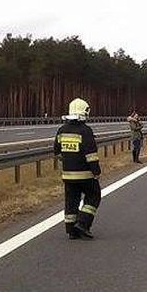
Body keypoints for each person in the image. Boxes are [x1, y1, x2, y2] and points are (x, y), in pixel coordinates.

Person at [54, 98, 101, 240]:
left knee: (71, 200)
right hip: (85, 174)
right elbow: (91, 155)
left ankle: (71, 230)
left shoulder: (61, 130)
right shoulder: (85, 131)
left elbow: (57, 151)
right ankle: (83, 223)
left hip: (68, 175)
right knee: (94, 196)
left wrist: (68, 161)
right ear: (84, 112)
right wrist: (96, 171)